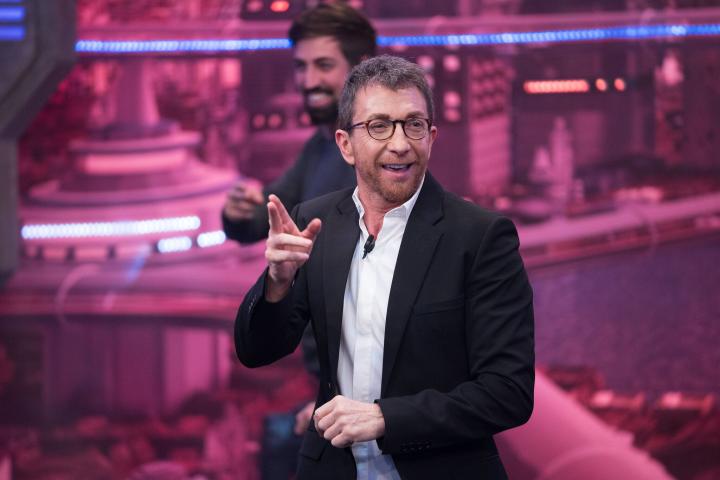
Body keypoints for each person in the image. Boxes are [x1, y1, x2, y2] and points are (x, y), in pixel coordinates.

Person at [235, 55, 535, 479]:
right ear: (345, 144)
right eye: (379, 126)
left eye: (413, 125)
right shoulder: (316, 223)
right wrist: (277, 283)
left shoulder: (480, 237)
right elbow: (257, 350)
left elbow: (508, 392)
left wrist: (385, 418)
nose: (400, 143)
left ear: (431, 137)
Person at [221, 2, 376, 244]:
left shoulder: (377, 151)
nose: (309, 81)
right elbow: (271, 213)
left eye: (324, 65)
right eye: (301, 66)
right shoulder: (321, 143)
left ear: (362, 68)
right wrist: (239, 211)